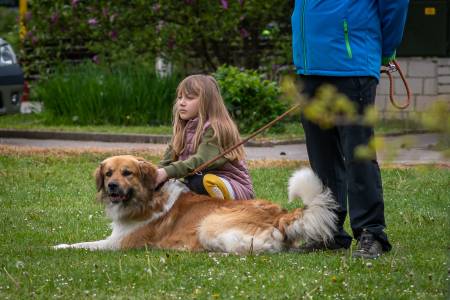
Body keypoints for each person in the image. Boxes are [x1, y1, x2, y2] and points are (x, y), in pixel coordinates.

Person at [291, 0, 409, 258]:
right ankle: (328, 231)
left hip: (352, 64)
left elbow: (395, 5)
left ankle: (371, 232)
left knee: (358, 154)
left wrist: (384, 50)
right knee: (322, 156)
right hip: (310, 67)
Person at [155, 74, 254, 200]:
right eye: (180, 98)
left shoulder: (217, 127)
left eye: (189, 98)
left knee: (201, 181)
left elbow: (202, 160)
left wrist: (167, 173)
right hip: (194, 180)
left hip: (232, 186)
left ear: (207, 103)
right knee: (167, 186)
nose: (182, 103)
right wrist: (153, 176)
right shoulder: (182, 130)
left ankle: (220, 204)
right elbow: (165, 164)